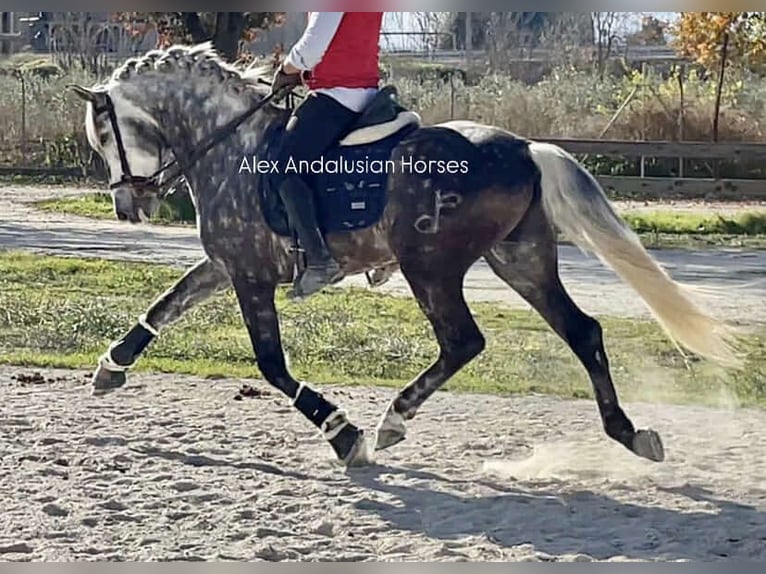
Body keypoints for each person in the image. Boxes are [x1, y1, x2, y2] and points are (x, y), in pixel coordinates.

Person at [270, 12, 384, 297]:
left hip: (337, 95)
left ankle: (320, 261)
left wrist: (287, 69)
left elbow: (314, 45)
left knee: (284, 167)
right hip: (368, 93)